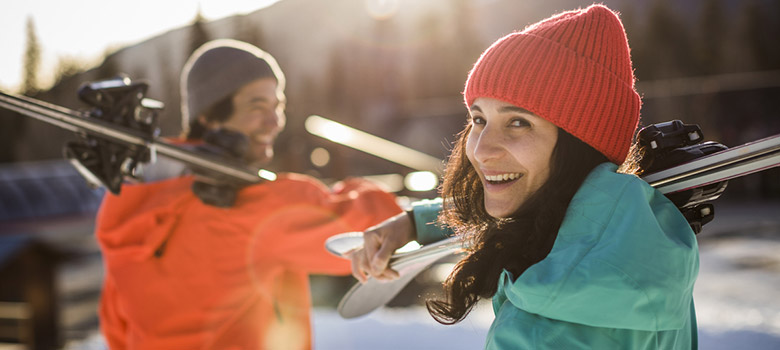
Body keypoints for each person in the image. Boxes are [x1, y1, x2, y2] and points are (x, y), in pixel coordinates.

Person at [350, 5, 699, 349]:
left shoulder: (534, 333)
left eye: (518, 123)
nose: (482, 150)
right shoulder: (645, 235)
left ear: (577, 144)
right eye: (478, 120)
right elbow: (551, 206)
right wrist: (417, 223)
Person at [95, 39, 404, 349]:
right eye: (257, 107)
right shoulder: (250, 203)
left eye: (278, 106)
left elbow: (116, 326)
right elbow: (371, 232)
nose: (274, 122)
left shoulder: (128, 205)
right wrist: (361, 192)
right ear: (209, 116)